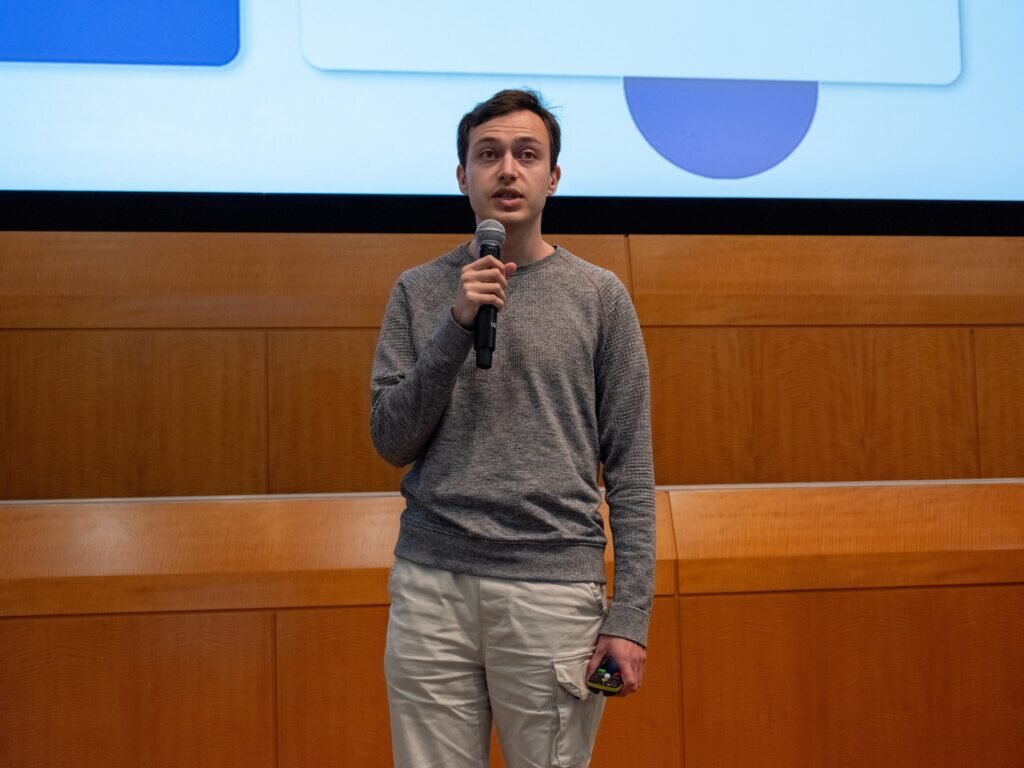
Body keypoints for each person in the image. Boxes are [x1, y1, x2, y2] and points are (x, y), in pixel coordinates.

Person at [370, 88, 655, 768]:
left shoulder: (600, 296)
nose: (507, 170)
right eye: (488, 154)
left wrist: (630, 616)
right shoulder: (418, 290)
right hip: (431, 586)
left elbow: (632, 469)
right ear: (461, 175)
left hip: (551, 592)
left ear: (552, 177)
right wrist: (456, 326)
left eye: (527, 155)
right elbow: (391, 440)